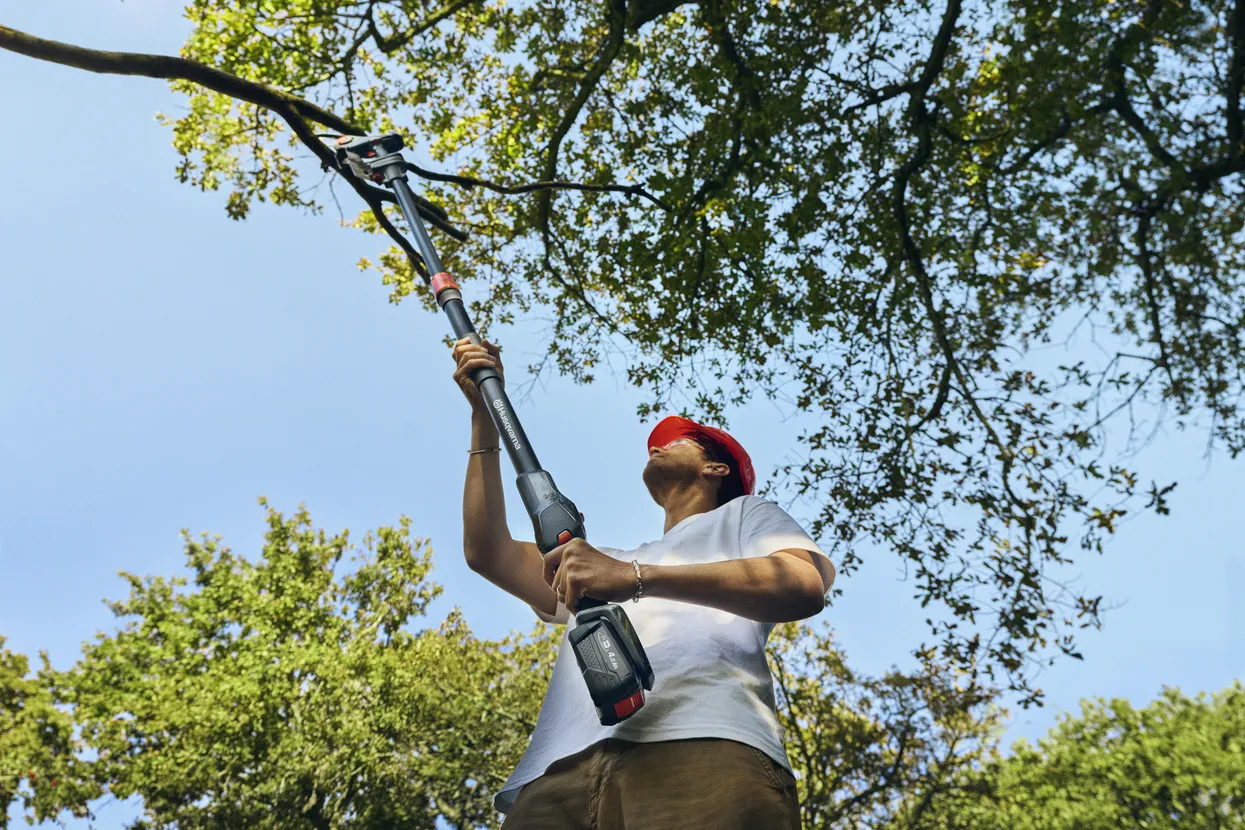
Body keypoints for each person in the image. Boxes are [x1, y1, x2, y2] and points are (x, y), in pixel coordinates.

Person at [452, 337, 836, 830]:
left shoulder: (743, 515)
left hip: (706, 747)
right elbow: (488, 552)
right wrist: (483, 414)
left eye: (676, 441)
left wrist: (634, 579)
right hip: (554, 780)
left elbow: (802, 584)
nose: (657, 445)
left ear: (715, 468)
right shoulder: (600, 564)